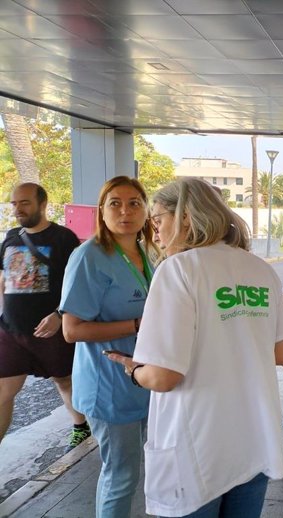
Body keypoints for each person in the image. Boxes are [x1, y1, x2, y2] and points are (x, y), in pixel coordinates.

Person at [107, 178, 283, 518]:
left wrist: (135, 370)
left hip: (198, 449)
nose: (155, 231)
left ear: (187, 218)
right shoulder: (261, 270)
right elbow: (282, 355)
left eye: (158, 219)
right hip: (252, 439)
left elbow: (163, 376)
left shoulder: (178, 270)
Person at [60, 176, 156, 518]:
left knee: (132, 471)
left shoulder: (146, 252)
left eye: (134, 203)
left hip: (142, 381)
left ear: (146, 210)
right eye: (114, 203)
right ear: (102, 211)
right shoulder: (89, 256)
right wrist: (137, 325)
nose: (125, 211)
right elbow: (71, 330)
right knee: (121, 475)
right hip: (108, 385)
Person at [0, 183, 89, 447]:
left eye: (24, 203)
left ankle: (81, 425)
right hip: (11, 330)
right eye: (14, 203)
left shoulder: (64, 238)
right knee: (4, 391)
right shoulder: (11, 237)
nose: (18, 209)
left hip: (51, 331)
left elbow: (79, 285)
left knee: (64, 380)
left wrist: (59, 315)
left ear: (42, 203)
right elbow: (3, 280)